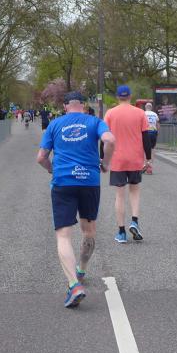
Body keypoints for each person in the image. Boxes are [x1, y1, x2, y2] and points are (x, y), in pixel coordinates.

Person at [37, 91, 116, 308]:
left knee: (63, 235)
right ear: (83, 105)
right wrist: (106, 164)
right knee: (89, 231)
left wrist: (52, 170)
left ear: (65, 106)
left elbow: (41, 157)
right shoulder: (95, 121)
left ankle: (74, 285)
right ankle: (82, 269)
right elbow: (109, 140)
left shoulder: (55, 125)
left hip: (63, 181)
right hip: (89, 181)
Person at [105, 85, 152, 243]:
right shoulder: (140, 113)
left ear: (118, 97)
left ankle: (121, 232)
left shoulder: (110, 113)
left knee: (120, 195)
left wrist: (103, 158)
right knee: (135, 191)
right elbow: (146, 138)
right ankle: (135, 221)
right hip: (135, 158)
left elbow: (105, 139)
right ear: (130, 96)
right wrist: (148, 158)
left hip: (117, 159)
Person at [143, 103, 159, 174]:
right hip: (153, 132)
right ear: (151, 108)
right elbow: (157, 124)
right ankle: (150, 165)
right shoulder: (155, 114)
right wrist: (157, 132)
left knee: (144, 149)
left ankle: (145, 164)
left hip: (146, 132)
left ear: (145, 107)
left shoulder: (143, 113)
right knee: (152, 149)